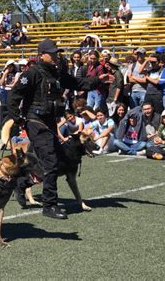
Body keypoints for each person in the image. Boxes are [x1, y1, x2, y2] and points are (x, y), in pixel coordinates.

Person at [7, 38, 113, 219]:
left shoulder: (56, 74)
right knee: (50, 162)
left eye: (58, 53)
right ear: (42, 55)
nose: (57, 56)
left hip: (49, 123)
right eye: (53, 53)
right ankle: (50, 205)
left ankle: (22, 183)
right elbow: (14, 96)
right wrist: (19, 120)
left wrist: (98, 80)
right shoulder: (32, 73)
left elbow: (78, 84)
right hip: (35, 122)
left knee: (55, 159)